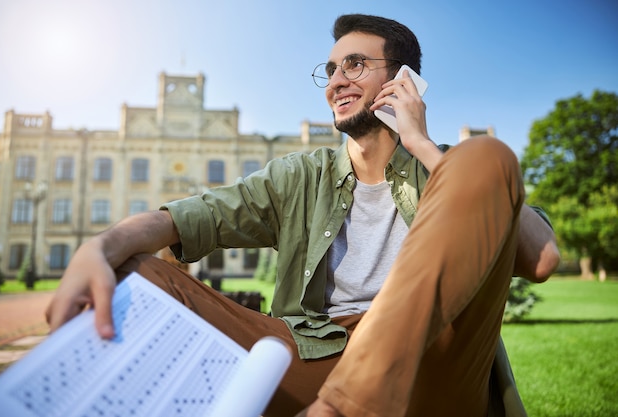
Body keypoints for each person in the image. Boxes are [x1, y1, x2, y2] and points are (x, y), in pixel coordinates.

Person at [46, 14, 560, 417]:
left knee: (488, 156)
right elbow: (195, 217)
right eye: (331, 69)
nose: (336, 81)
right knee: (140, 272)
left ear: (403, 81)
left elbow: (542, 257)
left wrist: (423, 145)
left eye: (355, 64)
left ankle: (349, 403)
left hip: (434, 365)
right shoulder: (298, 175)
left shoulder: (450, 166)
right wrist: (100, 247)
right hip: (317, 358)